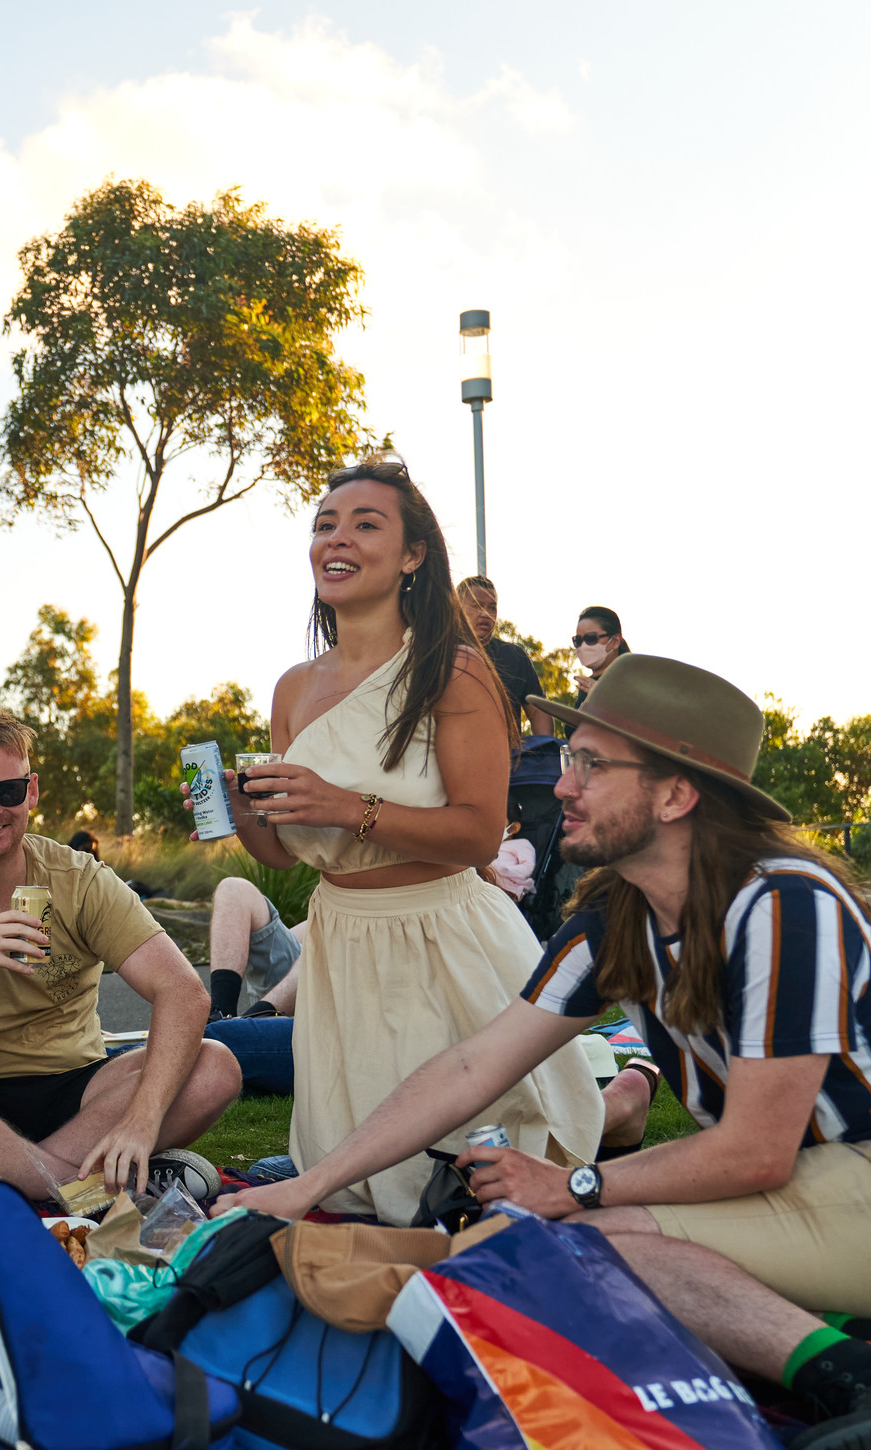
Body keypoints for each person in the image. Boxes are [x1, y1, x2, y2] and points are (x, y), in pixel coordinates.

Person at [231, 654, 871, 1450]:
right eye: (570, 758)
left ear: (676, 796)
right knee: (524, 1249)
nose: (562, 785)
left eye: (592, 764)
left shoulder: (785, 904)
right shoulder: (618, 919)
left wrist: (576, 1183)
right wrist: (310, 1184)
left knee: (577, 1250)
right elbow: (469, 1066)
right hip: (817, 1186)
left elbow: (754, 1150)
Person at [230, 458, 600, 1222]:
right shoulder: (294, 688)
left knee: (481, 1163)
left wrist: (342, 803)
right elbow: (283, 855)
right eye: (325, 524)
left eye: (366, 524)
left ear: (412, 555)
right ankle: (613, 1091)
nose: (338, 539)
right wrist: (247, 815)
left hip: (442, 938)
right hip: (342, 944)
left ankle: (621, 1096)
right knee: (352, 1180)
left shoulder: (453, 671)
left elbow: (475, 834)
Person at [0, 708, 240, 1201]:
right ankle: (78, 1185)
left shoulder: (79, 877)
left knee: (216, 1065)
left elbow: (184, 992)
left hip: (82, 1090)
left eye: (9, 791)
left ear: (32, 791)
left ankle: (20, 1179)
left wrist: (142, 1122)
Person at [206, 875, 304, 1022]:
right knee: (234, 888)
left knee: (322, 947)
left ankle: (248, 1022)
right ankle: (219, 1015)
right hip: (296, 980)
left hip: (336, 988)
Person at [457, 574, 543, 729]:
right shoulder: (440, 654)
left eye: (492, 607)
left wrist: (542, 748)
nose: (485, 614)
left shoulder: (514, 656)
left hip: (509, 751)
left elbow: (539, 712)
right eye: (476, 605)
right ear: (457, 608)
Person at [570, 605, 629, 704]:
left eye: (591, 638)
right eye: (578, 640)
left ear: (615, 641)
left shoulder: (635, 681)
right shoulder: (587, 686)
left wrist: (605, 698)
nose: (583, 646)